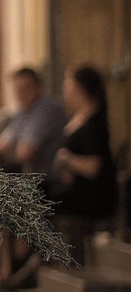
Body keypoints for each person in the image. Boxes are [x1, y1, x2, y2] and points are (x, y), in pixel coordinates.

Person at [0, 67, 65, 288]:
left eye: (26, 89)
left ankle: (15, 268)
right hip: (32, 182)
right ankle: (9, 267)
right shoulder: (21, 114)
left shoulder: (46, 109)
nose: (21, 94)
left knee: (5, 202)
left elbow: (25, 151)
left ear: (38, 87)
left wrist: (4, 150)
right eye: (17, 90)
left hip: (54, 183)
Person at [48, 64, 119, 263]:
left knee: (36, 197)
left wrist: (66, 159)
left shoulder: (95, 122)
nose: (64, 87)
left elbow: (93, 166)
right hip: (75, 188)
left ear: (79, 87)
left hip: (91, 196)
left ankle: (37, 264)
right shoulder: (79, 117)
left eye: (67, 82)